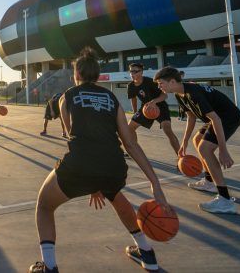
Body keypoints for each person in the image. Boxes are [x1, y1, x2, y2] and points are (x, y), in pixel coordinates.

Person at [29, 48, 173, 273]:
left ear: (76, 74)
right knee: (115, 194)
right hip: (114, 166)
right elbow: (130, 143)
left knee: (44, 205)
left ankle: (48, 267)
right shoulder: (111, 97)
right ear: (97, 76)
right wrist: (155, 182)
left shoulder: (67, 96)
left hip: (82, 163)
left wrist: (90, 181)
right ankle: (147, 252)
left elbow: (71, 136)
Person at [154, 66, 240, 214]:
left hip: (228, 117)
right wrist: (184, 142)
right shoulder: (179, 94)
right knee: (197, 140)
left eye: (161, 83)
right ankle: (209, 182)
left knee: (204, 148)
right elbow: (191, 117)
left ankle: (225, 200)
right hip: (216, 117)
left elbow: (215, 119)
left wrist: (223, 150)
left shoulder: (193, 92)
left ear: (172, 81)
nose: (159, 86)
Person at [126, 63, 180, 157]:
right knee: (130, 127)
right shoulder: (130, 86)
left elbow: (164, 95)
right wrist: (135, 112)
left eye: (135, 71)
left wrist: (154, 102)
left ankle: (181, 157)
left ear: (141, 72)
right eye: (131, 71)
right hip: (146, 108)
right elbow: (133, 99)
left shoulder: (150, 81)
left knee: (167, 130)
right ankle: (134, 150)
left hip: (160, 106)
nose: (132, 73)